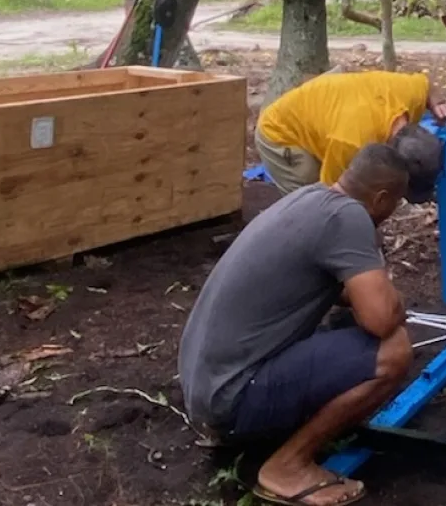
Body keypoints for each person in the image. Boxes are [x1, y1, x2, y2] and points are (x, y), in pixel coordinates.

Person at [178, 143, 416, 506]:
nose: (393, 211)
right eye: (396, 203)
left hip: (206, 385)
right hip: (231, 397)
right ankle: (287, 467)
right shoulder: (347, 218)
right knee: (394, 351)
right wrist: (391, 301)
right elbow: (381, 319)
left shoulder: (309, 197)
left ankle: (275, 431)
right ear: (382, 197)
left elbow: (332, 291)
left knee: (348, 324)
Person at [256, 69, 446, 199]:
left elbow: (427, 85)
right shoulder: (352, 144)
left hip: (325, 117)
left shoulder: (410, 94)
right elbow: (331, 197)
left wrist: (438, 102)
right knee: (310, 201)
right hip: (280, 131)